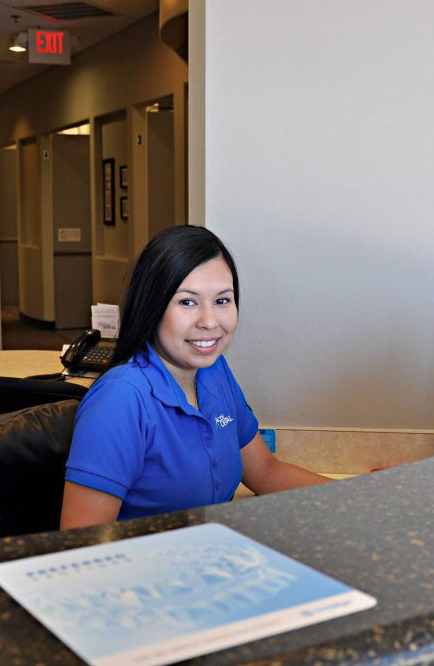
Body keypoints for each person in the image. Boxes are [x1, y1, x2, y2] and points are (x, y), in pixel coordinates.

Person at [60, 225, 330, 529]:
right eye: (187, 301)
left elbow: (267, 472)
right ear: (153, 306)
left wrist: (364, 499)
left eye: (222, 300)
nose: (209, 321)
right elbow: (80, 545)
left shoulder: (213, 371)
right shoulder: (121, 399)